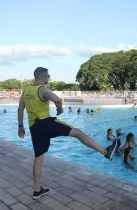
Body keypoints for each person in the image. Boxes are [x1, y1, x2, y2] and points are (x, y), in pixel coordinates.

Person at [17, 67, 118, 199]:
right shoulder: (43, 90)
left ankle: (37, 190)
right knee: (78, 133)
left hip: (34, 127)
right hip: (47, 123)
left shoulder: (26, 91)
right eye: (47, 76)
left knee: (38, 157)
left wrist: (20, 126)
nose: (48, 78)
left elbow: (20, 109)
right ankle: (105, 152)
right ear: (42, 77)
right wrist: (59, 110)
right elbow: (57, 99)